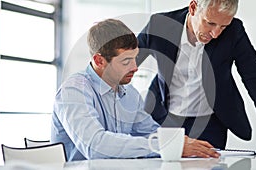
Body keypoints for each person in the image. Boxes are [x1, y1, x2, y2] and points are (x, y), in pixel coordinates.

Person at [51, 19, 219, 161]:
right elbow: (95, 146)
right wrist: (166, 145)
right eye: (126, 62)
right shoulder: (73, 91)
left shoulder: (130, 94)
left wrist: (183, 143)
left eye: (135, 58)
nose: (135, 67)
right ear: (99, 61)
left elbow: (151, 134)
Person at [136, 0, 256, 149]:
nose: (215, 34)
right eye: (210, 23)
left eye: (223, 26)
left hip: (210, 125)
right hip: (164, 119)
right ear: (193, 7)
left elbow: (255, 81)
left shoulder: (234, 31)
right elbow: (124, 62)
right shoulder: (159, 24)